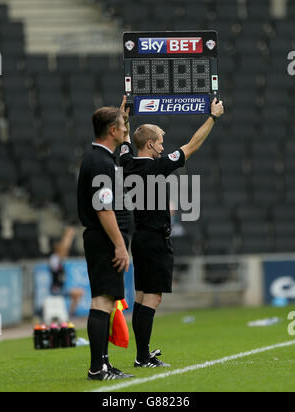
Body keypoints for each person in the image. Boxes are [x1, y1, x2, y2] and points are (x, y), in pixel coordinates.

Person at [120, 97, 224, 368]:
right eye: (160, 143)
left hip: (139, 237)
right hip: (155, 239)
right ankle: (143, 358)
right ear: (151, 145)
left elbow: (124, 142)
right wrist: (213, 117)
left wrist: (125, 118)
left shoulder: (127, 162)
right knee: (152, 297)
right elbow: (193, 145)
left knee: (142, 297)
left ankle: (142, 355)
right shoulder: (156, 166)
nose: (163, 147)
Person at [77, 99, 134, 381]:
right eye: (122, 125)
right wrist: (120, 245)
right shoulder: (100, 163)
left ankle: (103, 364)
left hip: (104, 239)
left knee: (107, 301)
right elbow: (103, 207)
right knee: (101, 301)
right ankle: (97, 369)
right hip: (105, 240)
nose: (125, 129)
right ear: (112, 130)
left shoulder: (102, 157)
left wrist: (124, 114)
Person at [49, 226, 84, 317]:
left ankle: (71, 313)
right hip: (56, 289)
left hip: (61, 287)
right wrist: (67, 236)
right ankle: (70, 314)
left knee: (79, 292)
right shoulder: (54, 259)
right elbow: (64, 249)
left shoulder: (58, 258)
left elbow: (64, 250)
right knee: (78, 292)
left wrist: (68, 237)